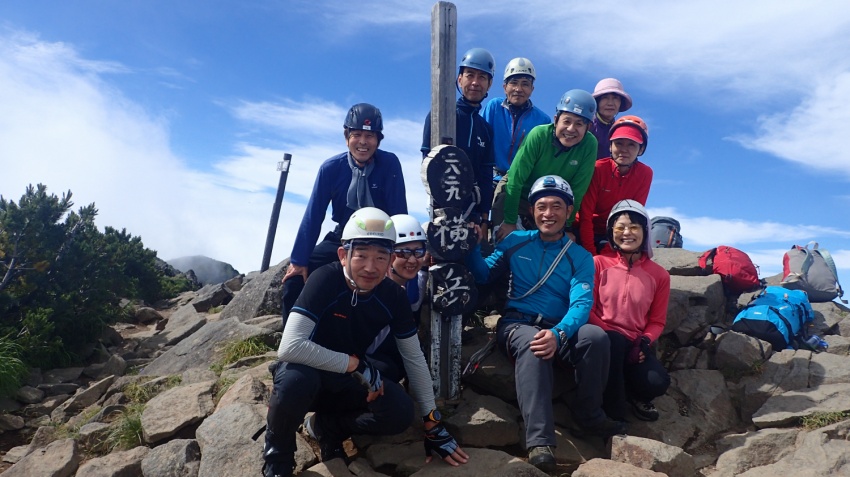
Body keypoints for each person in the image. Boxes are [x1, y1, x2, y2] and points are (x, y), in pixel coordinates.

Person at [263, 208, 468, 477]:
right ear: (343, 255)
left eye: (381, 257)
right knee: (295, 380)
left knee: (399, 411)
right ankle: (277, 460)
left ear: (389, 259)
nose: (371, 267)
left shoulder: (392, 295)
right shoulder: (325, 279)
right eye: (361, 256)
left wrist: (432, 422)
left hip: (346, 381)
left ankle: (328, 427)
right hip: (308, 373)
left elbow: (413, 358)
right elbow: (290, 347)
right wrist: (356, 366)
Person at [466, 175, 625, 472]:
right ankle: (539, 441)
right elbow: (483, 276)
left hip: (557, 326)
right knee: (533, 343)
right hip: (517, 323)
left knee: (596, 337)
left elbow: (581, 303)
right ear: (532, 211)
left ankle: (589, 414)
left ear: (569, 213)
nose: (548, 213)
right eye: (541, 206)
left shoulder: (580, 257)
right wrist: (475, 247)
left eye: (556, 206)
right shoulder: (514, 242)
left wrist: (559, 333)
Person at [282, 103, 407, 321]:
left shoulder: (390, 164)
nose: (363, 142)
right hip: (343, 236)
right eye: (356, 134)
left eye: (370, 136)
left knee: (392, 289)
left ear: (378, 140)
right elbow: (314, 215)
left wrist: (395, 256)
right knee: (294, 281)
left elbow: (399, 214)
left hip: (380, 239)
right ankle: (293, 345)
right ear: (346, 136)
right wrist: (299, 260)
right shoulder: (331, 168)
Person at [589, 200, 671, 423]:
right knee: (613, 345)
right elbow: (587, 307)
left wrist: (644, 341)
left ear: (645, 232)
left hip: (635, 344)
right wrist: (610, 333)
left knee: (656, 382)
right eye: (620, 227)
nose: (627, 233)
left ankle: (631, 394)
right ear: (610, 231)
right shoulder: (597, 264)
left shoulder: (659, 275)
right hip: (603, 338)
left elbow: (657, 321)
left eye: (634, 227)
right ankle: (614, 416)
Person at [494, 90, 598, 243]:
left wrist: (565, 227)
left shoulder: (590, 145)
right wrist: (509, 221)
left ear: (588, 127)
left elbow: (578, 190)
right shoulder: (539, 135)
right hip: (517, 194)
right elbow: (515, 181)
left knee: (549, 248)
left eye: (579, 124)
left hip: (553, 202)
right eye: (567, 121)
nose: (571, 129)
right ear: (556, 120)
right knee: (506, 243)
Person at [421, 47, 495, 237]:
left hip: (472, 217)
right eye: (470, 75)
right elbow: (427, 163)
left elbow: (486, 177)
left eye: (482, 77)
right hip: (440, 211)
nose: (475, 83)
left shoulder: (485, 129)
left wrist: (483, 218)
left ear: (489, 84)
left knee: (477, 267)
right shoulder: (440, 116)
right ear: (459, 79)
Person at [366, 214, 428, 382]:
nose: (413, 259)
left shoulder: (416, 280)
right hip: (363, 359)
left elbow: (415, 303)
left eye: (418, 251)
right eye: (403, 252)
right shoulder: (370, 285)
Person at [578, 115, 652, 254]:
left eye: (631, 144)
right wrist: (592, 254)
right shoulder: (597, 169)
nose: (624, 149)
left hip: (614, 234)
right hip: (584, 230)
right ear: (610, 146)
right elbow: (585, 216)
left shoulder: (645, 173)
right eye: (619, 143)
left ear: (641, 149)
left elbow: (633, 216)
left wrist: (609, 251)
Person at [481, 57, 551, 200]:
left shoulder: (543, 120)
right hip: (489, 176)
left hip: (522, 182)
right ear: (504, 87)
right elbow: (482, 142)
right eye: (513, 83)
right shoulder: (494, 107)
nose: (518, 89)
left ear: (532, 89)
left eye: (525, 84)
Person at [588, 78, 633, 160]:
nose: (610, 103)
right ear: (597, 102)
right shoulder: (586, 125)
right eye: (605, 98)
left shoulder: (619, 130)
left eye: (615, 98)